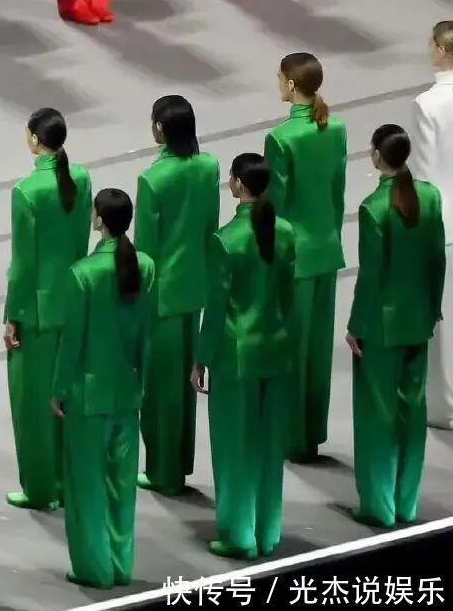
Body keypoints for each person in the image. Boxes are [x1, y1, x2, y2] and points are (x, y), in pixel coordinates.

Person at [193, 153, 295, 559]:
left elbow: (216, 310)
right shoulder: (284, 232)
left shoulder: (226, 240)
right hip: (276, 348)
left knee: (236, 448)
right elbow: (288, 296)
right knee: (269, 447)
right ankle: (268, 530)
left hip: (236, 357)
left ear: (237, 184)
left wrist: (201, 357)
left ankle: (240, 535)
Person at [51, 188, 154, 589]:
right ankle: (120, 562)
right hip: (127, 390)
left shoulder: (84, 274)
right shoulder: (144, 266)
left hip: (88, 396)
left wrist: (59, 389)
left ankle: (94, 567)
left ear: (98, 220)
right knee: (121, 485)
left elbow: (72, 342)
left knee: (86, 485)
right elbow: (145, 332)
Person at [347, 125, 445, 526]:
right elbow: (437, 259)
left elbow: (371, 277)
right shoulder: (429, 197)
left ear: (376, 155)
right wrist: (433, 307)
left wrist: (356, 325)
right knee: (412, 413)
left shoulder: (374, 209)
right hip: (418, 321)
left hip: (381, 328)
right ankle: (406, 502)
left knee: (378, 417)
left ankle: (379, 506)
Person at [4, 107, 92, 511]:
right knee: (66, 397)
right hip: (72, 300)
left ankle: (40, 488)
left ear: (36, 140)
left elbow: (23, 264)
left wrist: (13, 316)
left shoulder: (27, 191)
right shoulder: (81, 178)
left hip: (37, 311)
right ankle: (67, 479)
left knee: (34, 406)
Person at [264, 52, 347, 462]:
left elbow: (276, 206)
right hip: (327, 247)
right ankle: (313, 430)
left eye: (280, 77)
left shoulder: (281, 139)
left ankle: (292, 435)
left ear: (292, 85)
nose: (278, 83)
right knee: (317, 348)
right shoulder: (335, 127)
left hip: (295, 255)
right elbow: (337, 190)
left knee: (292, 347)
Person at [134, 95, 220, 495]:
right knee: (186, 381)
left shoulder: (154, 179)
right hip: (195, 285)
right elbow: (210, 227)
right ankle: (181, 461)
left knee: (160, 388)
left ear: (160, 129)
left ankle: (163, 470)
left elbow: (146, 250)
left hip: (161, 295)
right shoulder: (208, 167)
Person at [410, 21, 453, 428]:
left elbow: (424, 174)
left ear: (440, 50)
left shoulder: (427, 103)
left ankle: (445, 406)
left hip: (444, 220)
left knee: (443, 318)